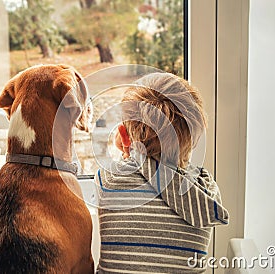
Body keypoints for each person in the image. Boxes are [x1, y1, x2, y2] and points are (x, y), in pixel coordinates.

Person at [96, 72, 229, 273]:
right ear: (196, 136)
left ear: (123, 135)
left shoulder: (106, 179)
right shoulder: (207, 192)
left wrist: (129, 151)